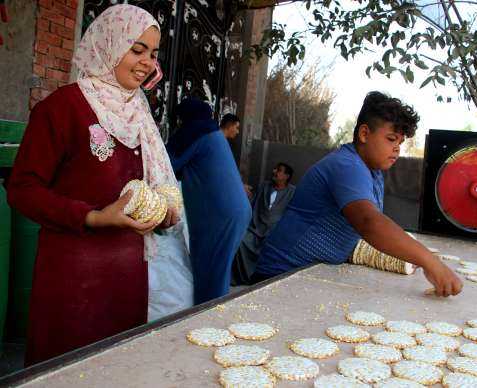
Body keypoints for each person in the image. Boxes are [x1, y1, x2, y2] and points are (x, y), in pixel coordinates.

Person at [7, 5, 182, 365]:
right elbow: (22, 189)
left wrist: (163, 212)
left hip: (127, 278)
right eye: (136, 50)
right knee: (67, 370)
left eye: (152, 53)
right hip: (74, 281)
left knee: (116, 369)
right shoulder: (63, 108)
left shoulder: (139, 112)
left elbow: (147, 187)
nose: (147, 62)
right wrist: (94, 217)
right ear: (109, 44)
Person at [253, 91, 463, 297]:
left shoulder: (373, 171)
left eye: (400, 143)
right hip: (279, 277)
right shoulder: (346, 165)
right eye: (391, 139)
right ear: (364, 134)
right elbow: (369, 222)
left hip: (310, 275)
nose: (397, 149)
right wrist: (429, 261)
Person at [167, 98, 251, 304]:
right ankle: (208, 320)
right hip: (234, 213)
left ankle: (207, 326)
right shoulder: (213, 135)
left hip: (219, 217)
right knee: (216, 272)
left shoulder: (196, 135)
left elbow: (165, 164)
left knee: (210, 276)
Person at [231, 163, 296, 285]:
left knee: (272, 247)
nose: (275, 171)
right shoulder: (264, 186)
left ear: (286, 176)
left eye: (279, 170)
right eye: (275, 168)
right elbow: (253, 204)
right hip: (256, 228)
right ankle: (241, 278)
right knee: (241, 240)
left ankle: (259, 280)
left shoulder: (292, 192)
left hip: (275, 231)